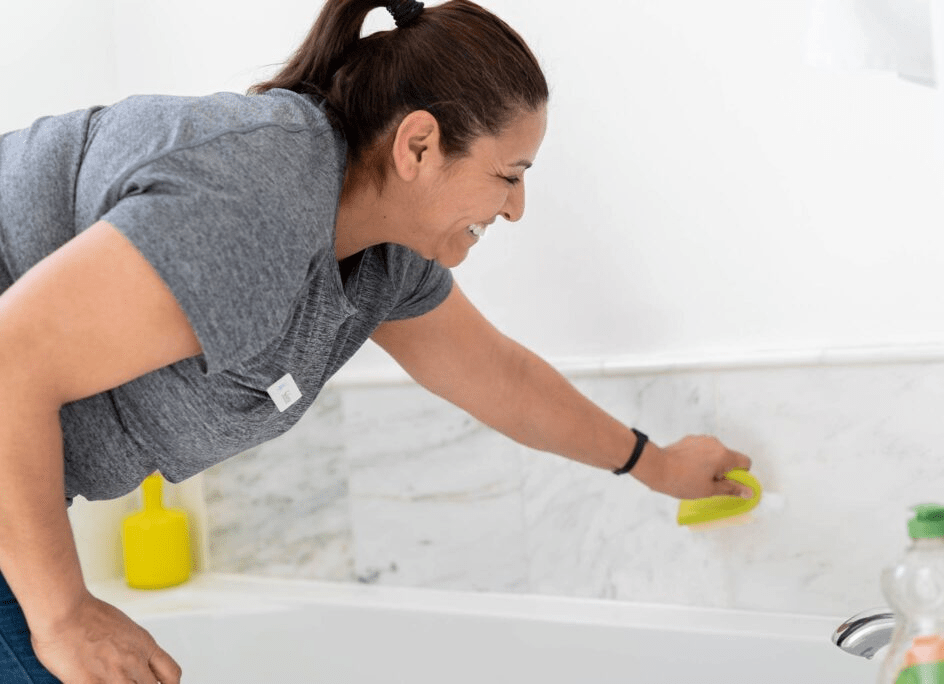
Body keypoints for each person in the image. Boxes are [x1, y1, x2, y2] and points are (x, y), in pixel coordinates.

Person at [0, 0, 754, 681]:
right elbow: (10, 360)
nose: (517, 208)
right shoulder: (259, 191)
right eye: (509, 174)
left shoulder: (381, 259)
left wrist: (655, 465)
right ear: (418, 146)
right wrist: (64, 613)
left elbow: (501, 377)